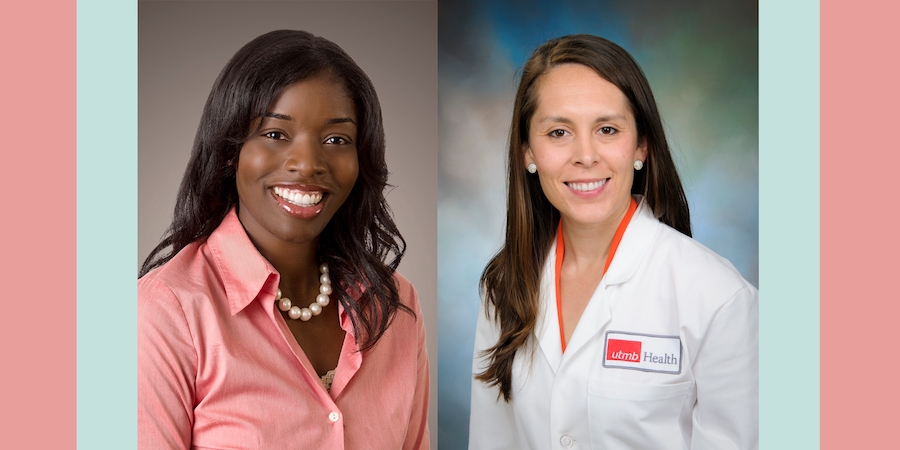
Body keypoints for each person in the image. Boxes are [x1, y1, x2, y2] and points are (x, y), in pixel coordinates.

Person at [138, 30, 429, 449]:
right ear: (228, 149)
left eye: (336, 140)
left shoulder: (396, 307)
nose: (308, 164)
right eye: (275, 134)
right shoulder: (167, 313)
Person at [469, 34, 758, 449]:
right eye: (558, 132)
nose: (585, 156)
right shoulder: (504, 285)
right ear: (527, 153)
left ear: (641, 145)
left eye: (607, 129)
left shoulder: (719, 298)